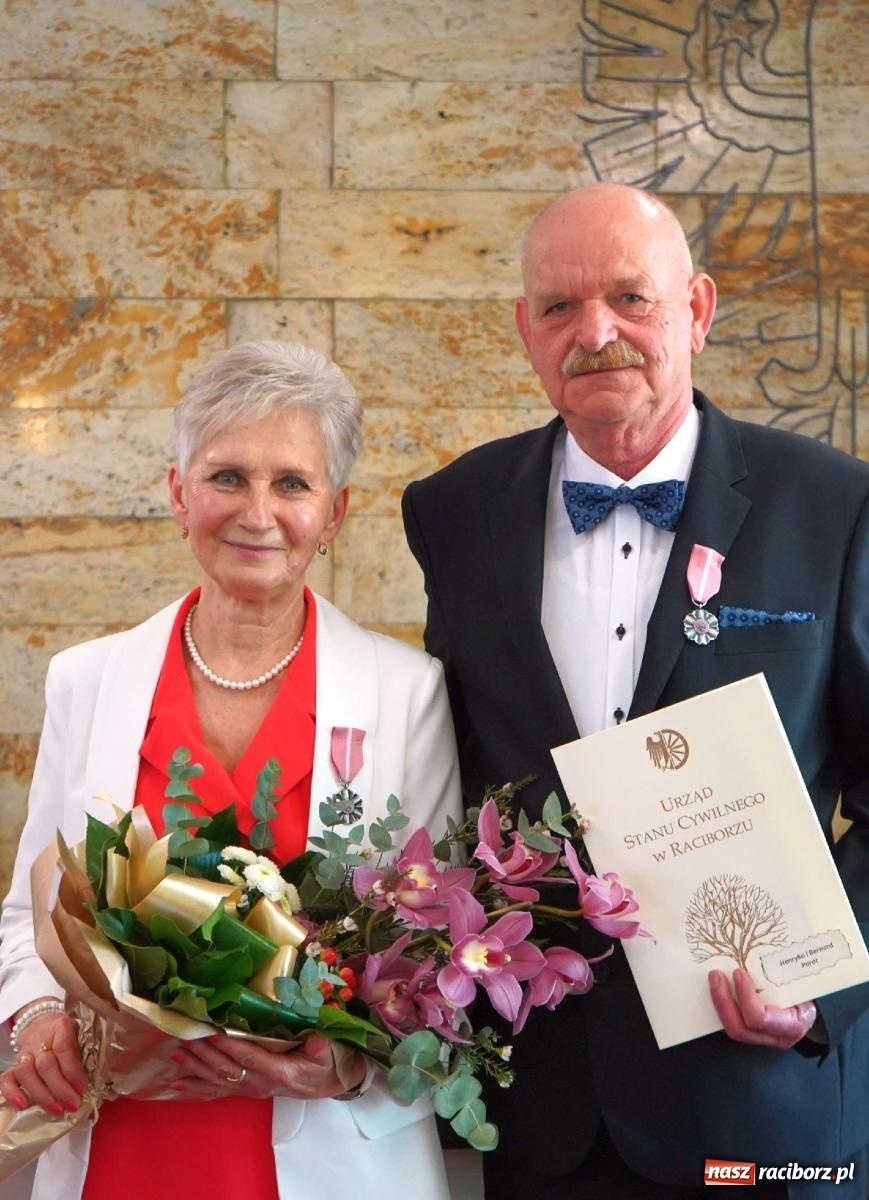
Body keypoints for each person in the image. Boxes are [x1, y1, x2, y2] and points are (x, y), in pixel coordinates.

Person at [402, 184, 869, 1199]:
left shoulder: (831, 506)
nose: (595, 332)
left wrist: (822, 986)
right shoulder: (453, 512)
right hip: (541, 1103)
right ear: (524, 331)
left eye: (630, 298)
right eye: (560, 308)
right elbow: (454, 772)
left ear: (696, 310)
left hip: (758, 1097)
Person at [0, 341, 461, 1200]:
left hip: (327, 1148)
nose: (258, 512)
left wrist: (350, 1063)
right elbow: (33, 913)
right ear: (178, 494)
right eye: (226, 477)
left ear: (335, 512)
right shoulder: (85, 679)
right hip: (123, 1140)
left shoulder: (410, 693)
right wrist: (32, 1020)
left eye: (292, 483)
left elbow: (438, 951)